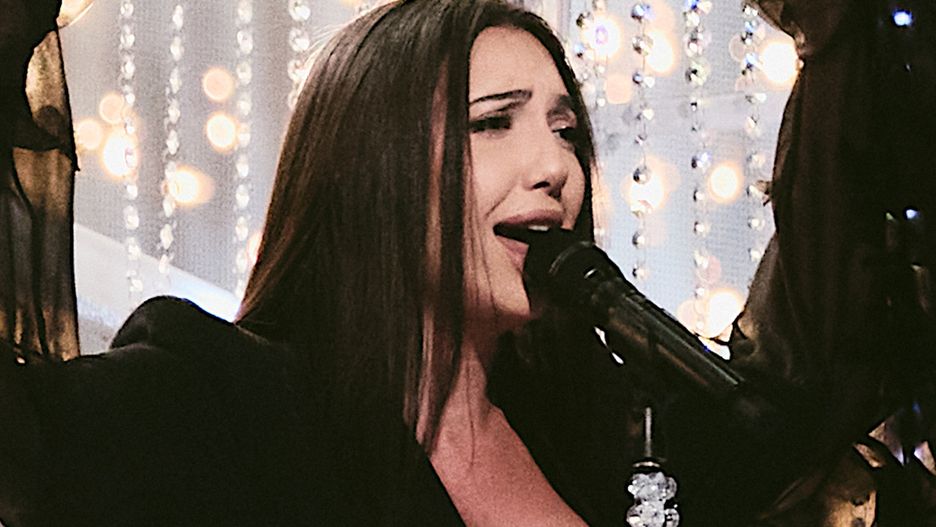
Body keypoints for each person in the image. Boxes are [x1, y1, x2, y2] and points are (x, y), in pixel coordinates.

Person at [1, 0, 934, 525]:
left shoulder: (610, 427)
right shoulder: (220, 399)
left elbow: (811, 374)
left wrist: (840, 35)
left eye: (566, 130)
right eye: (494, 124)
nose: (556, 167)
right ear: (370, 170)